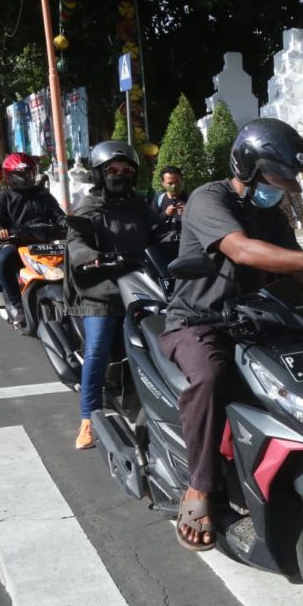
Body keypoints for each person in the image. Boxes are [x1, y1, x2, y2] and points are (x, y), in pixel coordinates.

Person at [159, 119, 303, 551]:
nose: (285, 185)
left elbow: (290, 262)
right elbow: (241, 250)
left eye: (290, 178)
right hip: (199, 321)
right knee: (211, 378)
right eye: (279, 176)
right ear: (248, 167)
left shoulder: (271, 211)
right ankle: (199, 487)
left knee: (298, 376)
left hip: (254, 321)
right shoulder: (208, 198)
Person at [66, 141, 173, 450]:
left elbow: (159, 232)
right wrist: (90, 255)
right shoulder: (89, 207)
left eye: (126, 170)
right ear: (100, 174)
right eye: (112, 170)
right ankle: (88, 417)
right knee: (97, 348)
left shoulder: (140, 206)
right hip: (102, 291)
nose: (120, 175)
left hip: (140, 286)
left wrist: (177, 234)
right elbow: (76, 241)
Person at [0, 153, 66, 326]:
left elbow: (59, 215)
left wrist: (67, 223)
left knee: (73, 258)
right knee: (2, 260)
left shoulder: (44, 196)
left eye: (27, 173)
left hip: (44, 243)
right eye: (19, 175)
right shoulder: (2, 197)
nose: (24, 178)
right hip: (15, 242)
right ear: (9, 176)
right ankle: (17, 304)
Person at [148, 165, 188, 234]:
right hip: (164, 243)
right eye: (170, 183)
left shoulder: (191, 199)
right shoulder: (158, 200)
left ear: (182, 180)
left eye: (177, 182)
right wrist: (165, 214)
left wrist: (189, 213)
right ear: (163, 183)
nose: (174, 186)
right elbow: (152, 223)